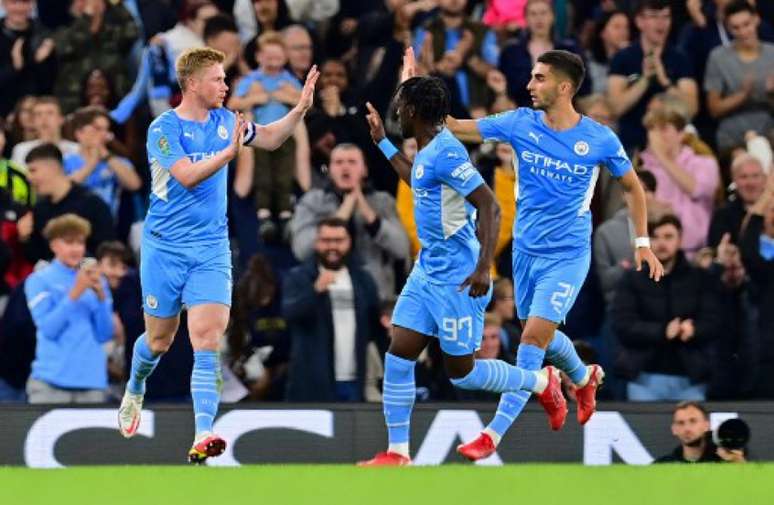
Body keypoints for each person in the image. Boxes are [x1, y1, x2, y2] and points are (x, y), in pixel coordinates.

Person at [445, 48, 664, 460]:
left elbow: (633, 187)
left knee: (531, 339)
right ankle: (583, 377)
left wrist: (643, 243)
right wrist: (416, 93)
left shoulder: (598, 138)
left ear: (564, 87)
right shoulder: (519, 123)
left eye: (539, 78)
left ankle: (492, 434)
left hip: (567, 255)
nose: (529, 85)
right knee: (541, 335)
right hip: (525, 251)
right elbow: (459, 127)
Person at [116, 47, 319, 464]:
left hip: (210, 249)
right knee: (159, 341)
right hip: (164, 248)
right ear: (192, 84)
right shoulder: (163, 128)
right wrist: (228, 154)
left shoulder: (229, 122)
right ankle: (136, 386)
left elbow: (272, 137)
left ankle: (204, 431)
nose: (226, 86)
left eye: (226, 79)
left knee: (207, 340)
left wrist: (299, 109)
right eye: (219, 79)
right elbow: (187, 177)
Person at [358, 68, 563, 467]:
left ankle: (542, 381)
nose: (396, 108)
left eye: (401, 103)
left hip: (458, 276)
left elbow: (490, 205)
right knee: (399, 355)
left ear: (413, 109)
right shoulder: (426, 149)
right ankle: (398, 452)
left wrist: (485, 266)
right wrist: (381, 141)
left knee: (463, 373)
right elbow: (414, 179)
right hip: (427, 271)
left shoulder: (447, 152)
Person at [613, 215, 721, 401]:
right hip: (643, 378)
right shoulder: (632, 279)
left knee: (692, 430)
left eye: (668, 236)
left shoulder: (700, 278)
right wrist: (663, 331)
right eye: (655, 237)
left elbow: (715, 321)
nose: (661, 243)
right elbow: (623, 325)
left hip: (692, 379)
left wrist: (694, 329)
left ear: (680, 240)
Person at [290, 143, 410, 301]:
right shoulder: (312, 202)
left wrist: (368, 214)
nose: (345, 167)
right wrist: (344, 212)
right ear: (330, 170)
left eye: (352, 162)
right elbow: (301, 249)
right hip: (327, 296)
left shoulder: (383, 202)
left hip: (375, 296)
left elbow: (401, 248)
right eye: (338, 162)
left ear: (365, 170)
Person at [283, 217, 385, 402]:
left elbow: (374, 328)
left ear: (349, 242)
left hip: (355, 380)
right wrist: (314, 291)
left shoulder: (363, 280)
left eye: (338, 241)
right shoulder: (299, 277)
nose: (332, 247)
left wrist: (387, 324)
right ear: (316, 243)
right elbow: (290, 313)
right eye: (326, 241)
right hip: (313, 383)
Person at [24, 213, 113, 403]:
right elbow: (49, 329)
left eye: (80, 243)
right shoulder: (39, 280)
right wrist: (76, 291)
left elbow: (104, 334)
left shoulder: (97, 280)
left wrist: (102, 299)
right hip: (51, 384)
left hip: (93, 384)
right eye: (69, 242)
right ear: (54, 245)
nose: (76, 249)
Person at [607, 0, 698, 152]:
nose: (661, 23)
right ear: (639, 21)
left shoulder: (680, 58)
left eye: (666, 16)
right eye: (654, 16)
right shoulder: (622, 58)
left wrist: (665, 82)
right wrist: (645, 80)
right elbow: (615, 108)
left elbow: (692, 109)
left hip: (673, 147)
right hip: (631, 144)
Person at [639, 106, 719, 257]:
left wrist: (661, 156)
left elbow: (696, 189)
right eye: (652, 129)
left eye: (663, 129)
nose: (656, 136)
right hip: (654, 252)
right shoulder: (641, 167)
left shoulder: (704, 163)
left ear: (681, 134)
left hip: (696, 252)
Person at [18, 143, 115, 264]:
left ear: (53, 168)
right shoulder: (39, 209)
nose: (28, 177)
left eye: (33, 170)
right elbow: (36, 258)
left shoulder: (92, 204)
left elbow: (107, 249)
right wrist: (25, 238)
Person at [704, 0, 774, 153]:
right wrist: (742, 95)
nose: (743, 32)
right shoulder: (718, 57)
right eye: (736, 28)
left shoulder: (772, 54)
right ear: (728, 28)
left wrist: (771, 95)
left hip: (769, 131)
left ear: (756, 19)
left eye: (746, 24)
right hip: (732, 136)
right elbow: (714, 109)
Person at [64, 106, 142, 217]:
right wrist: (92, 163)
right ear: (79, 133)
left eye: (106, 129)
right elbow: (63, 188)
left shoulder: (117, 162)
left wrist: (106, 156)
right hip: (73, 225)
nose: (104, 135)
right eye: (97, 129)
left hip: (108, 226)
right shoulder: (65, 161)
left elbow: (135, 185)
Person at [654, 401, 748, 463]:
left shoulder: (724, 461)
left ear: (706, 425)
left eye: (693, 421)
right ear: (674, 429)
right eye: (680, 423)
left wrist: (737, 462)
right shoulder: (662, 465)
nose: (687, 428)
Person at [708, 154, 767, 246]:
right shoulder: (723, 215)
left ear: (764, 179)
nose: (750, 183)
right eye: (744, 177)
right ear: (734, 180)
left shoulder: (771, 212)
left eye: (755, 176)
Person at [11, 96, 80, 167]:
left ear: (61, 119)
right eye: (39, 114)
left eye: (50, 113)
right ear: (33, 121)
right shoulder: (21, 150)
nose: (44, 118)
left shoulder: (77, 150)